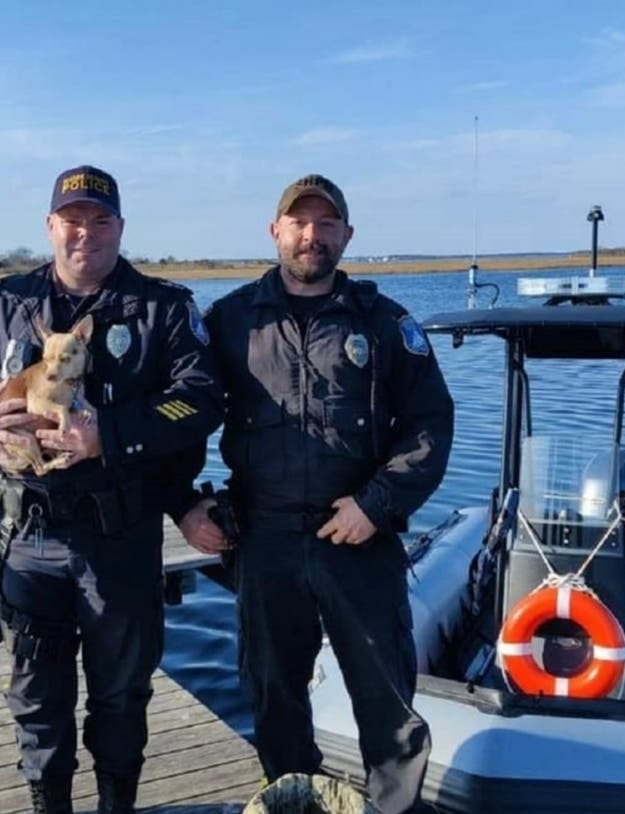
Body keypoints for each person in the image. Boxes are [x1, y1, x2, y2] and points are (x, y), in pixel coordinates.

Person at [0, 165, 221, 814]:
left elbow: (199, 404)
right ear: (49, 226)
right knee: (37, 700)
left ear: (119, 227)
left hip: (120, 537)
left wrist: (109, 434)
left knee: (121, 698)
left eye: (99, 220)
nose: (83, 233)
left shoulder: (162, 309)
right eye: (71, 220)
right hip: (28, 537)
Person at [179, 174, 454, 814]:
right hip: (265, 538)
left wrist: (377, 504)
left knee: (386, 703)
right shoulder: (230, 320)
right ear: (275, 231)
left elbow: (430, 425)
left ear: (346, 235)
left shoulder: (385, 323)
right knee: (273, 694)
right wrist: (185, 504)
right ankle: (289, 802)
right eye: (298, 222)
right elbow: (184, 415)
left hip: (357, 535)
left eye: (326, 223)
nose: (312, 235)